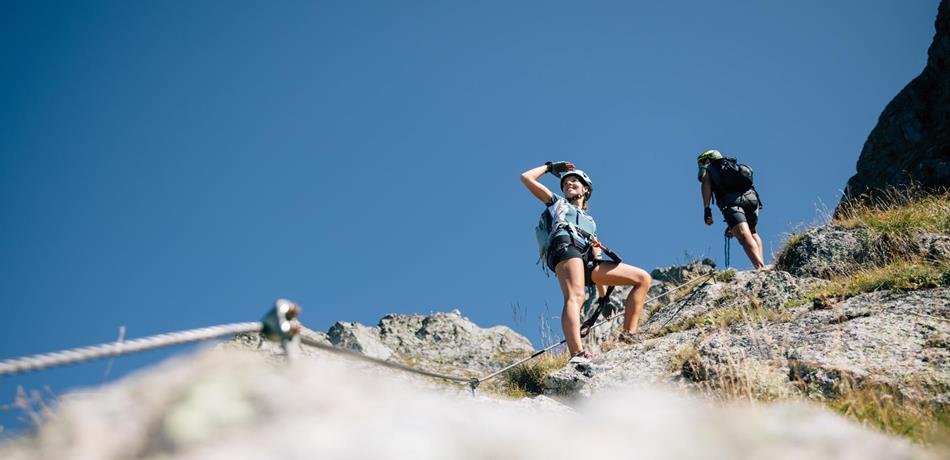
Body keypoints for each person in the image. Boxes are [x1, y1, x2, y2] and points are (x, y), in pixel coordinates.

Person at [521, 161, 652, 362]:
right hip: (565, 246)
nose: (568, 184)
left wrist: (602, 299)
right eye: (565, 182)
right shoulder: (557, 203)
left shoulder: (590, 222)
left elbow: (597, 257)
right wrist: (549, 168)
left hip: (585, 256)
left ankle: (628, 333)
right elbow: (526, 178)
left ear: (586, 189)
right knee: (576, 295)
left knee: (642, 278)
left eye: (575, 181)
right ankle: (577, 354)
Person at [697, 149, 765, 269]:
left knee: (744, 235)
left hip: (731, 202)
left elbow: (705, 183)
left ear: (707, 159)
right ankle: (762, 264)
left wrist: (707, 209)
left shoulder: (708, 168)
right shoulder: (730, 166)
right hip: (752, 200)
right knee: (753, 232)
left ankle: (760, 267)